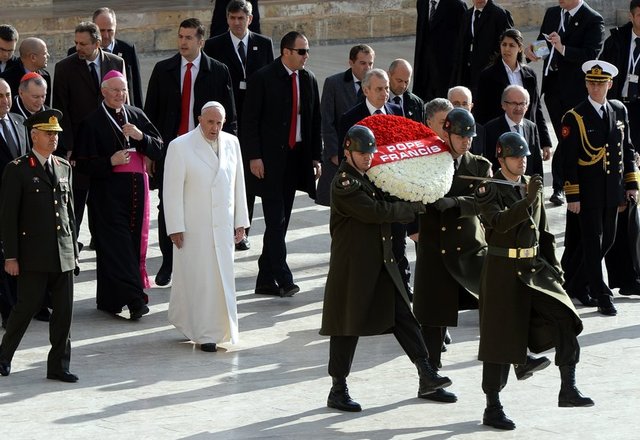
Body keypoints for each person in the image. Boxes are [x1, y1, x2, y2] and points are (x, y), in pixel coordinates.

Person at [319, 125, 451, 412]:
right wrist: (414, 208)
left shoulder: (370, 178)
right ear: (347, 152)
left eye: (370, 152)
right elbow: (376, 212)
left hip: (381, 264)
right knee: (346, 327)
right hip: (354, 268)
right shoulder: (344, 183)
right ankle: (338, 388)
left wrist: (418, 192)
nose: (368, 157)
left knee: (404, 316)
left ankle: (426, 373)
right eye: (361, 153)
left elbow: (389, 199)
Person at [475, 131, 593, 431]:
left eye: (524, 156)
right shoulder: (488, 189)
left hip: (534, 268)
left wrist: (555, 268)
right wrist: (527, 200)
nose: (521, 161)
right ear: (501, 158)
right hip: (502, 270)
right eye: (515, 156)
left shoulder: (531, 185)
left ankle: (568, 388)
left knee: (565, 317)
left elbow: (544, 232)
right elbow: (498, 223)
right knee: (499, 341)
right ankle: (492, 406)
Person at [145, 17, 236, 287]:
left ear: (200, 41)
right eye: (180, 36)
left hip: (204, 152)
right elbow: (150, 115)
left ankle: (197, 260)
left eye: (188, 38)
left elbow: (229, 118)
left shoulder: (218, 71)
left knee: (200, 205)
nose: (183, 42)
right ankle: (168, 262)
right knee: (168, 204)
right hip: (170, 150)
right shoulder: (163, 69)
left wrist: (226, 153)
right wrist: (151, 152)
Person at [412, 108, 490, 403]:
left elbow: (485, 201)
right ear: (447, 134)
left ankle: (520, 356)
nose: (465, 141)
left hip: (468, 250)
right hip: (436, 249)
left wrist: (456, 202)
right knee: (433, 317)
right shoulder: (429, 163)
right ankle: (430, 378)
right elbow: (412, 194)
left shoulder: (479, 165)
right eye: (460, 136)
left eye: (469, 137)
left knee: (497, 299)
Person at [74, 71, 163, 320]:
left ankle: (110, 299)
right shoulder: (92, 122)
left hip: (137, 193)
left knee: (128, 247)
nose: (120, 94)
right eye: (114, 90)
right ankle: (136, 300)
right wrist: (109, 161)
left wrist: (140, 137)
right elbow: (82, 165)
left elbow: (158, 147)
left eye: (123, 90)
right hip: (107, 196)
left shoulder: (136, 115)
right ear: (103, 92)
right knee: (118, 248)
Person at [0, 109, 79, 383]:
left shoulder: (64, 166)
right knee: (26, 308)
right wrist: (11, 256)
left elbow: (70, 214)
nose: (53, 138)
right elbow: (8, 217)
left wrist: (74, 252)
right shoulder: (17, 169)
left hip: (63, 252)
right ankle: (3, 356)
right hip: (33, 253)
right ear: (34, 136)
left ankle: (58, 365)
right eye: (48, 134)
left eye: (56, 134)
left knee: (64, 314)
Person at [163, 101, 249, 352]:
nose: (214, 127)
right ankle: (203, 333)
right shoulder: (180, 146)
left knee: (221, 279)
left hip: (223, 225)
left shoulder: (232, 143)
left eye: (219, 123)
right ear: (200, 119)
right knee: (198, 279)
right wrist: (175, 226)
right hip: (194, 226)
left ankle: (216, 330)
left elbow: (239, 184)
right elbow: (171, 191)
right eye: (210, 122)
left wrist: (241, 221)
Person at [241, 31, 321, 297]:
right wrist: (254, 156)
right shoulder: (263, 78)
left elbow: (314, 121)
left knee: (282, 222)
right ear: (286, 52)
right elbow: (249, 121)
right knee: (276, 220)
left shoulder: (308, 79)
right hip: (269, 162)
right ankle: (283, 277)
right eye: (302, 51)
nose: (306, 56)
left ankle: (265, 279)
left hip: (295, 159)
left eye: (307, 51)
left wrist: (315, 157)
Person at [559, 60, 639, 316]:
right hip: (588, 192)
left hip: (613, 190)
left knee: (608, 240)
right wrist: (573, 194)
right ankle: (601, 294)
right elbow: (568, 160)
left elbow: (627, 149)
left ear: (610, 84)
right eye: (591, 83)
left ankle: (574, 283)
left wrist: (632, 184)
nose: (595, 88)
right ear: (586, 84)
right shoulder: (575, 116)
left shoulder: (618, 110)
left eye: (600, 84)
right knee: (594, 243)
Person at [203, 0, 274, 251]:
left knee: (248, 178)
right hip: (226, 120)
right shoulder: (215, 45)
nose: (236, 22)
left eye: (241, 18)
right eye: (232, 18)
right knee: (225, 174)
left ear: (249, 19)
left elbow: (270, 80)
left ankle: (242, 230)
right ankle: (223, 228)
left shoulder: (263, 44)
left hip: (254, 121)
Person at [337, 68, 411, 296]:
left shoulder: (397, 111)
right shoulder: (351, 118)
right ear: (366, 90)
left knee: (398, 242)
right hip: (366, 191)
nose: (385, 93)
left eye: (387, 88)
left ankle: (403, 287)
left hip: (394, 188)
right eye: (379, 89)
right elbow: (345, 158)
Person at [525, 0, 604, 206]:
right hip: (552, 88)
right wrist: (533, 51)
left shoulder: (592, 19)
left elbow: (591, 54)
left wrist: (563, 48)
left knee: (567, 137)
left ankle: (561, 186)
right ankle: (565, 184)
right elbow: (544, 44)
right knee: (564, 136)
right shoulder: (553, 13)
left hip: (575, 91)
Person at [53, 21, 125, 247]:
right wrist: (68, 146)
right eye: (76, 43)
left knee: (105, 199)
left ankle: (102, 243)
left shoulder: (116, 62)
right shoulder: (64, 68)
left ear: (97, 43)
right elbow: (61, 109)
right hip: (80, 147)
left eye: (83, 44)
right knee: (77, 200)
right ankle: (71, 247)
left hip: (109, 144)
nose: (78, 48)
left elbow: (124, 101)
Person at [473, 28, 553, 159]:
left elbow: (536, 109)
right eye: (504, 44)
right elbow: (480, 112)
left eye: (512, 45)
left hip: (526, 134)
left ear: (520, 48)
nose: (507, 49)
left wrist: (545, 142)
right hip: (499, 138)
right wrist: (480, 143)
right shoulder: (488, 75)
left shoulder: (529, 75)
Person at [316, 44, 374, 207]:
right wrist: (334, 153)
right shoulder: (334, 83)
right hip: (339, 156)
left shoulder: (376, 85)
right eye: (363, 63)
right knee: (337, 200)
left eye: (370, 63)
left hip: (366, 156)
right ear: (351, 62)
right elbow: (326, 121)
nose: (367, 68)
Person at [67, 8, 144, 108]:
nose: (106, 35)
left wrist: (138, 113)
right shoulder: (76, 52)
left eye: (110, 30)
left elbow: (135, 86)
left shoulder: (127, 50)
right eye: (102, 30)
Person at [0, 78, 28, 328]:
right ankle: (8, 311)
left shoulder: (20, 121)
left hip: (22, 202)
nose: (5, 101)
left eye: (7, 95)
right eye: (0, 96)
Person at [600, 0, 640, 149]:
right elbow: (602, 70)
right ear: (631, 16)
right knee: (618, 150)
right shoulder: (616, 40)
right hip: (618, 105)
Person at [451, 0, 513, 97]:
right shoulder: (467, 15)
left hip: (489, 72)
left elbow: (508, 45)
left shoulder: (499, 13)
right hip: (469, 72)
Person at [484, 85, 545, 176]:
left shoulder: (531, 127)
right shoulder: (490, 129)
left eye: (522, 104)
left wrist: (537, 183)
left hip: (526, 183)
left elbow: (537, 163)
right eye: (514, 103)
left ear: (527, 106)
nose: (518, 108)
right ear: (504, 105)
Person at [413, 0, 467, 101]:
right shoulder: (422, 2)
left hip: (445, 71)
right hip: (424, 70)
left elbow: (463, 41)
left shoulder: (457, 5)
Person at [0, 37, 51, 107]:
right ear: (33, 57)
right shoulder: (7, 78)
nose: (48, 56)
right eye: (45, 53)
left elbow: (45, 107)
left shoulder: (45, 76)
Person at [448, 86, 485, 155]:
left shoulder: (480, 130)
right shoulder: (442, 128)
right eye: (456, 104)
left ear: (471, 106)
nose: (461, 108)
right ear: (448, 105)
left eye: (464, 104)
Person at [388, 58, 425, 123]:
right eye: (399, 81)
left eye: (406, 82)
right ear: (388, 75)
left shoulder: (417, 103)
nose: (403, 86)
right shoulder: (378, 97)